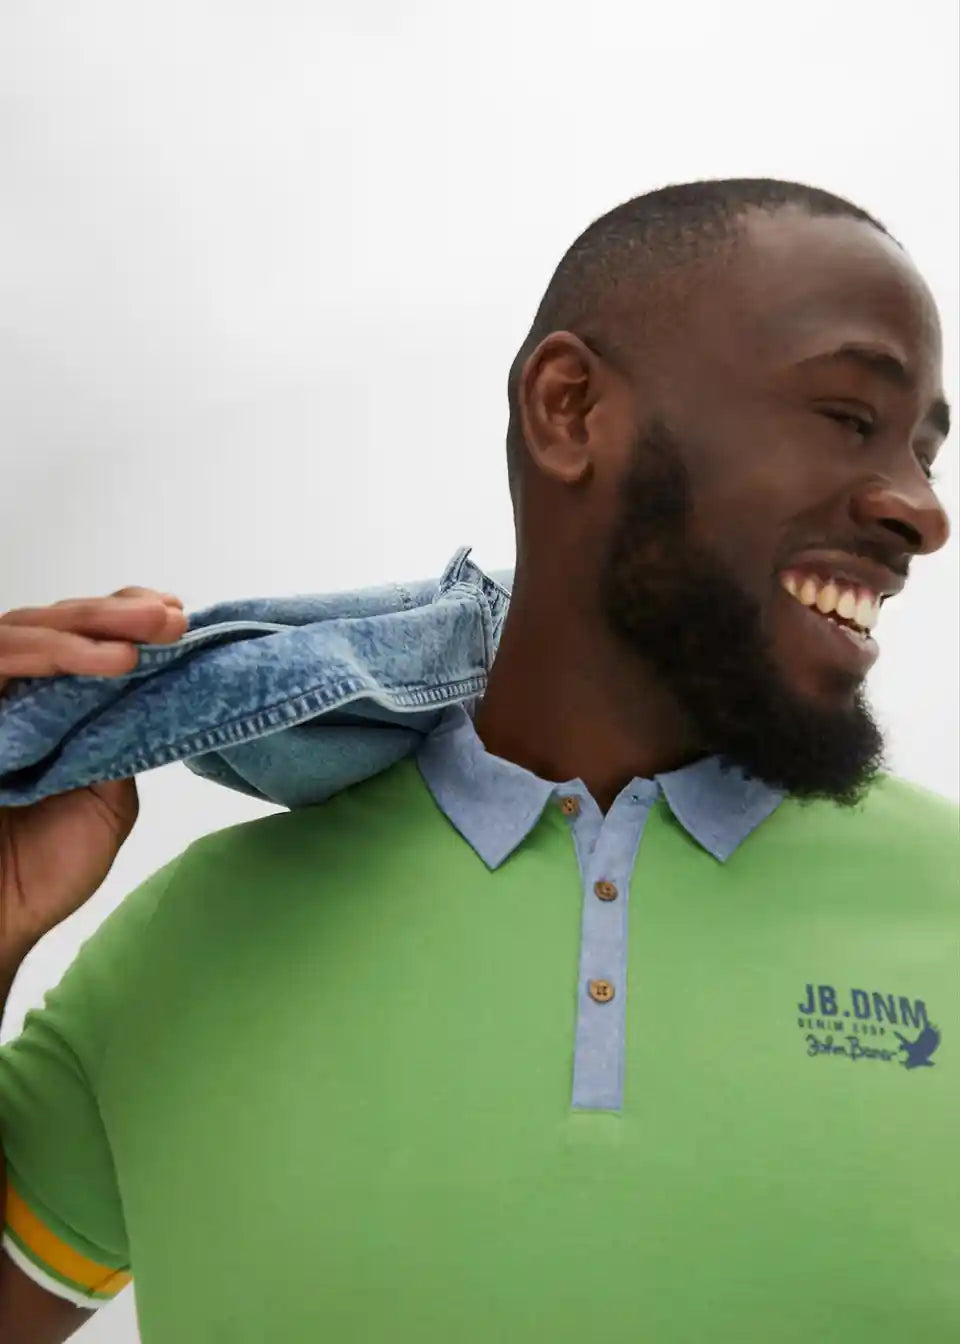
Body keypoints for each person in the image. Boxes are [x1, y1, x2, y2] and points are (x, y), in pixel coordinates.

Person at [0, 179, 956, 1343]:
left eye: (926, 452)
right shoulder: (189, 940)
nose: (923, 511)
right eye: (850, 416)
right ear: (570, 409)